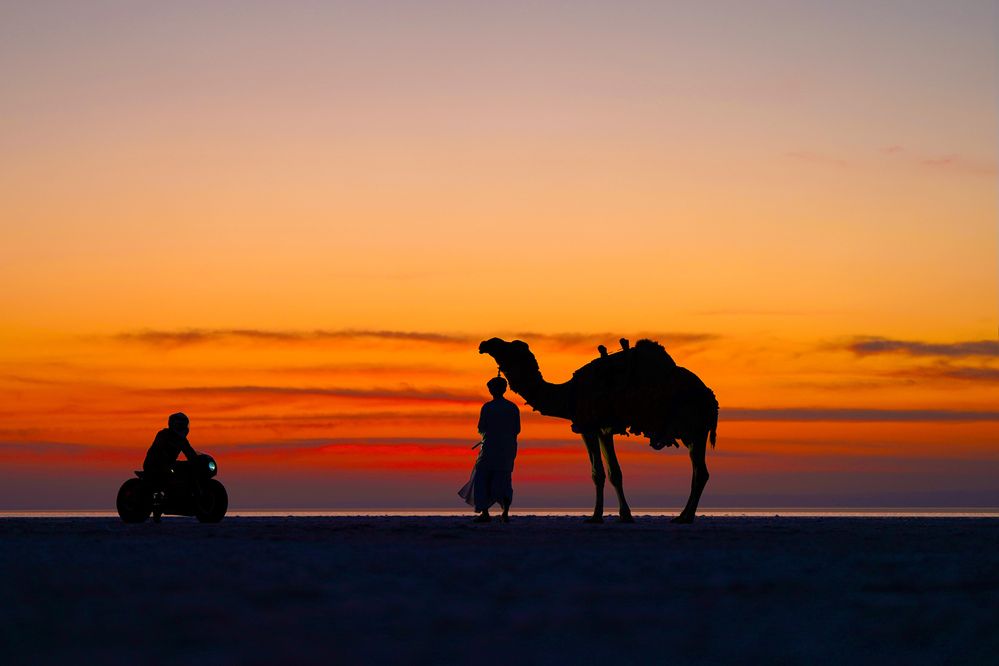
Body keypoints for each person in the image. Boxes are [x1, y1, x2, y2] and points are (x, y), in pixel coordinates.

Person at [464, 376, 520, 523]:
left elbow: (481, 427)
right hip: (507, 450)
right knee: (504, 480)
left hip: (490, 449)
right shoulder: (513, 407)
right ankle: (505, 513)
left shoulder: (488, 407)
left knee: (483, 478)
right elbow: (517, 429)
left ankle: (485, 513)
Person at [143, 412, 198, 489]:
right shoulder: (163, 435)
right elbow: (159, 451)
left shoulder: (182, 440)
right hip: (154, 464)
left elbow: (189, 451)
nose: (182, 427)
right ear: (173, 425)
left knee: (186, 469)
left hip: (170, 464)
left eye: (184, 425)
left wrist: (197, 460)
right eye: (180, 425)